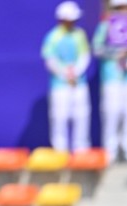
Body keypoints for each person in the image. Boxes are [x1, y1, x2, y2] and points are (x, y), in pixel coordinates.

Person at [93, 0, 127, 163]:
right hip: (112, 77)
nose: (126, 10)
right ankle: (110, 151)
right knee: (112, 113)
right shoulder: (106, 26)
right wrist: (116, 54)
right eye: (121, 7)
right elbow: (97, 48)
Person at [42, 1, 92, 152]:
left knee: (82, 115)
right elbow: (50, 60)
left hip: (79, 82)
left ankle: (81, 149)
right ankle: (59, 150)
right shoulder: (53, 37)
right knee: (59, 116)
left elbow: (85, 55)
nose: (73, 22)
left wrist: (76, 73)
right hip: (60, 84)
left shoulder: (79, 34)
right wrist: (65, 74)